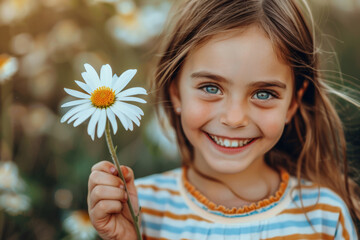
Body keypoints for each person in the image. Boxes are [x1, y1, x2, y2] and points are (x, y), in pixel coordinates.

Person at [87, 0, 360, 239]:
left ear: (293, 103)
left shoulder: (325, 217)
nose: (234, 118)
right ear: (175, 91)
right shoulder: (137, 209)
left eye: (264, 93)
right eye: (210, 88)